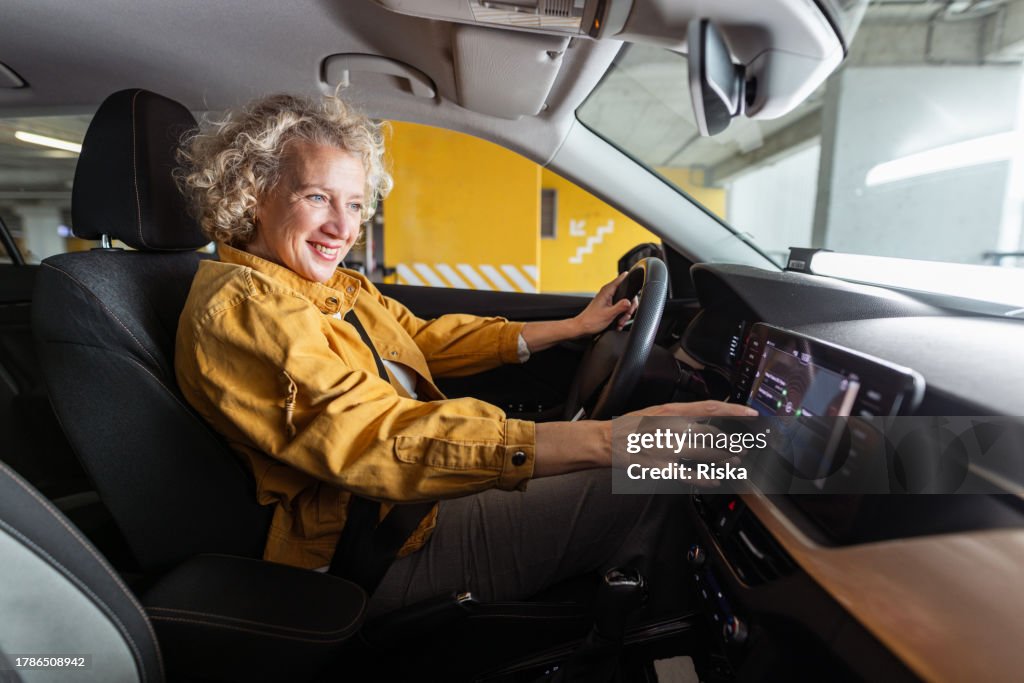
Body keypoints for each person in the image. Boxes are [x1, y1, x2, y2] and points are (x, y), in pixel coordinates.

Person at [174, 93, 755, 617]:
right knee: (662, 483)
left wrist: (574, 326)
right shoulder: (247, 310)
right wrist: (611, 440)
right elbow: (373, 437)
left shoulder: (318, 288)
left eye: (354, 204)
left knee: (704, 460)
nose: (341, 226)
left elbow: (423, 340)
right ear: (251, 194)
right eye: (317, 197)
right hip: (375, 548)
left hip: (405, 506)